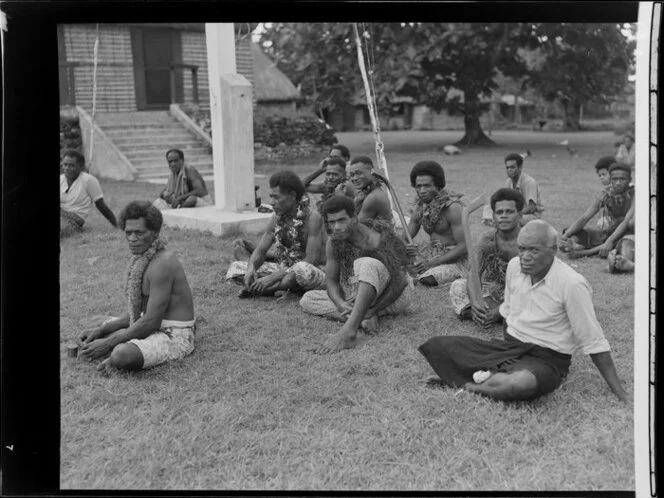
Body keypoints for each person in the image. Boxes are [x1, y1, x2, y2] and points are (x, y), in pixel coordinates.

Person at [419, 220, 630, 403]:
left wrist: (621, 394)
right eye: (521, 249)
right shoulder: (514, 266)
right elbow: (509, 310)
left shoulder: (572, 284)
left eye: (533, 250)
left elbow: (594, 342)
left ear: (553, 250)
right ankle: (491, 375)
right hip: (509, 349)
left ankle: (470, 385)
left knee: (522, 383)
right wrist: (500, 346)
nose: (525, 257)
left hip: (547, 359)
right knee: (438, 345)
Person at [78, 201, 197, 374]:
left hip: (174, 336)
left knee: (121, 354)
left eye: (139, 233)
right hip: (149, 323)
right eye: (128, 233)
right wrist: (102, 330)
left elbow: (150, 321)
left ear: (155, 233)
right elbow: (140, 312)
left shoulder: (163, 263)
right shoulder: (142, 258)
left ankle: (118, 348)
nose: (132, 239)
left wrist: (107, 344)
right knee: (97, 323)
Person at [300, 196, 414, 354]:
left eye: (342, 220)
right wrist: (340, 303)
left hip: (394, 297)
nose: (337, 227)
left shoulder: (381, 235)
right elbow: (331, 282)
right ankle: (360, 317)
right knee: (308, 299)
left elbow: (401, 281)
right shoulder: (334, 242)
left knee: (366, 263)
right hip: (359, 294)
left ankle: (349, 331)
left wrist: (373, 309)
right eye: (331, 222)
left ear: (354, 218)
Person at [225, 170, 326, 298]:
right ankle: (272, 287)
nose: (272, 202)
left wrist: (273, 277)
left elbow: (311, 260)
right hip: (284, 268)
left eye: (276, 197)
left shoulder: (313, 218)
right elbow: (261, 251)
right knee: (236, 268)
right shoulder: (275, 218)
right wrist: (251, 268)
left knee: (300, 271)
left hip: (311, 272)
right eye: (271, 196)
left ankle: (268, 288)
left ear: (292, 195)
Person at [449, 188, 524, 327]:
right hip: (498, 293)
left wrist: (499, 311)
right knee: (458, 286)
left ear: (519, 215)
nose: (503, 216)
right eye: (499, 212)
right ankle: (478, 314)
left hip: (523, 295)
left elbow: (532, 286)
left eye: (509, 211)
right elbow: (474, 273)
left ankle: (501, 316)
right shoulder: (488, 239)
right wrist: (475, 303)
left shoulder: (528, 240)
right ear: (493, 216)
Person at [404, 161, 468, 286]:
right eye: (418, 186)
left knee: (426, 279)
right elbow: (404, 238)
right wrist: (407, 249)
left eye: (427, 186)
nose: (422, 190)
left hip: (457, 262)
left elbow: (464, 246)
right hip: (432, 256)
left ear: (438, 186)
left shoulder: (452, 208)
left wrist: (432, 264)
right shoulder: (420, 208)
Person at [560, 164, 635, 258]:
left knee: (625, 239)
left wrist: (609, 242)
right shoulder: (606, 193)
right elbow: (585, 217)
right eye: (615, 179)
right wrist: (566, 236)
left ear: (630, 180)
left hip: (625, 233)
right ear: (610, 179)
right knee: (573, 231)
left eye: (622, 179)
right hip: (608, 233)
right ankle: (575, 244)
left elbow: (626, 221)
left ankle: (585, 252)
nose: (618, 183)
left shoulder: (635, 194)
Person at [60, 149, 118, 237]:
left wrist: (116, 224)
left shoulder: (89, 181)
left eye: (71, 165)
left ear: (81, 167)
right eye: (65, 164)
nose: (67, 168)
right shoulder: (60, 179)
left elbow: (101, 205)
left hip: (75, 219)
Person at [348, 156, 394, 227]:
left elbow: (356, 228)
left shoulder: (373, 198)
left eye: (359, 173)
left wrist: (341, 198)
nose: (355, 178)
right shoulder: (369, 192)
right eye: (352, 175)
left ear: (372, 173)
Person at [503, 152, 544, 224]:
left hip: (532, 216)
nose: (509, 170)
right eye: (507, 167)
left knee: (509, 222)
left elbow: (532, 208)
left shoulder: (529, 182)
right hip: (517, 214)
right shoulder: (508, 182)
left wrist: (513, 215)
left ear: (520, 167)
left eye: (512, 167)